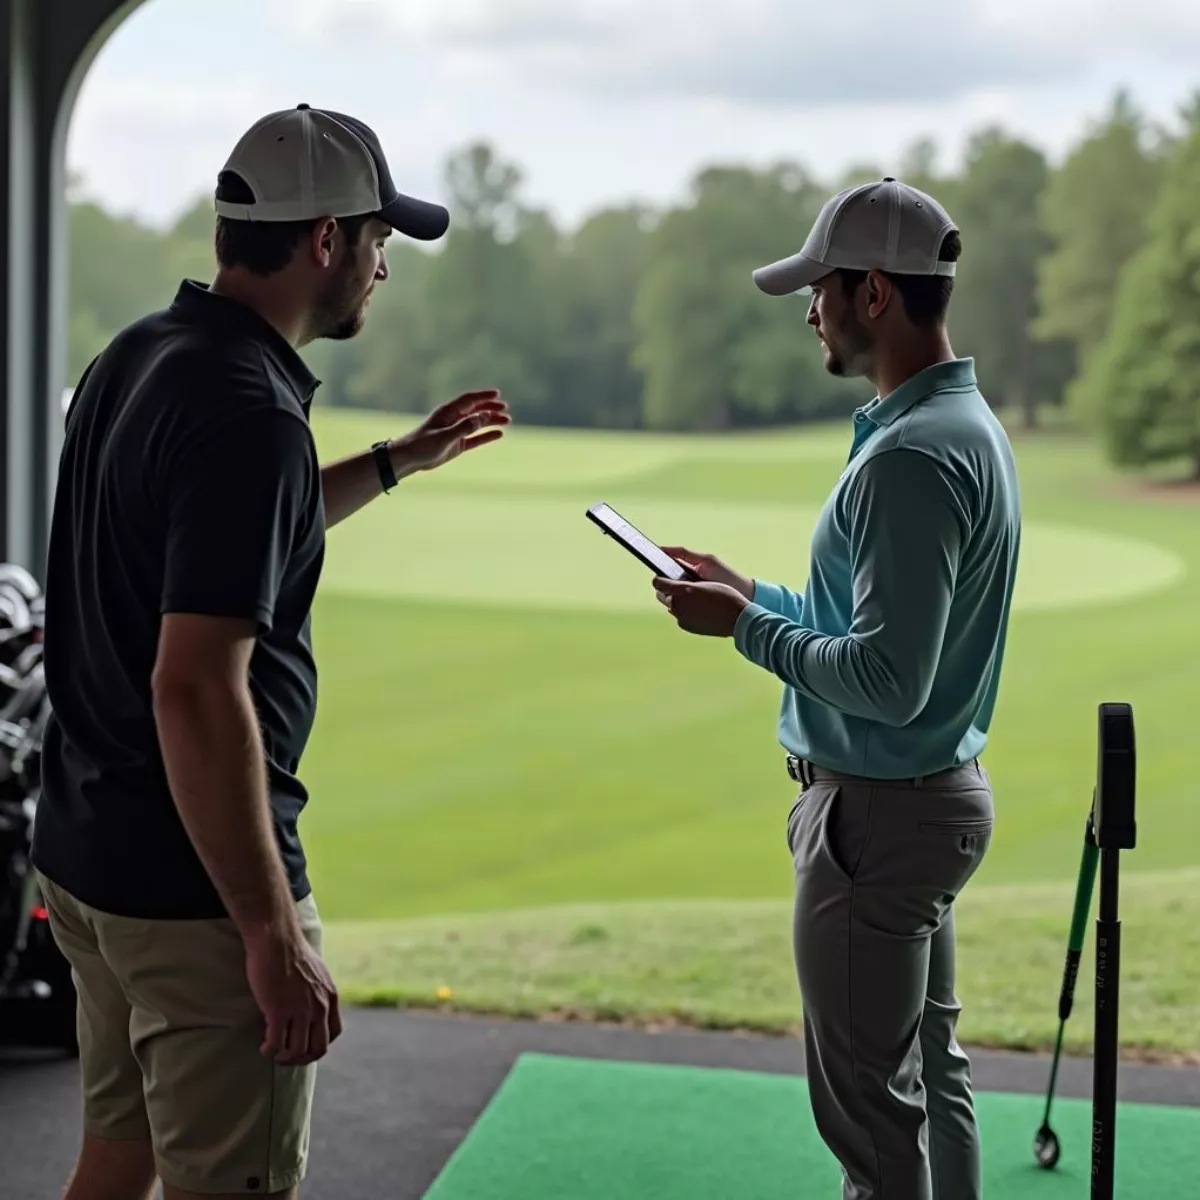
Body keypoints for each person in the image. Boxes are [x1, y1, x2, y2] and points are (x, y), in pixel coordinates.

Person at [32, 104, 509, 1200]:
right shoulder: (250, 414)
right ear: (327, 240)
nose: (384, 268)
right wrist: (270, 932)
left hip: (92, 863)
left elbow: (218, 546)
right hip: (192, 898)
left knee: (115, 1163)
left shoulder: (142, 354)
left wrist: (395, 461)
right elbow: (197, 688)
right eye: (380, 240)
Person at [652, 178, 1021, 1200]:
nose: (807, 306)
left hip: (880, 821)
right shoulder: (958, 424)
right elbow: (879, 628)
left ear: (872, 295)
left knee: (870, 1126)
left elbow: (890, 680)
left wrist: (747, 630)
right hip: (928, 803)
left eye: (820, 286)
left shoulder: (908, 455)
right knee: (932, 1081)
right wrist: (752, 588)